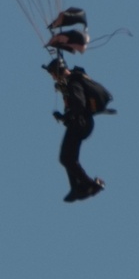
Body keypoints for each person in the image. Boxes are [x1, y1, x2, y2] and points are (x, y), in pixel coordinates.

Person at [44, 56, 114, 203]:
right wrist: (64, 117)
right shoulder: (71, 82)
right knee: (69, 159)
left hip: (81, 123)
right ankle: (76, 188)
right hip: (81, 123)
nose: (53, 78)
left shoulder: (73, 82)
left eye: (53, 74)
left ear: (58, 71)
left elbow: (79, 105)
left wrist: (67, 116)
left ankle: (89, 185)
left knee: (66, 158)